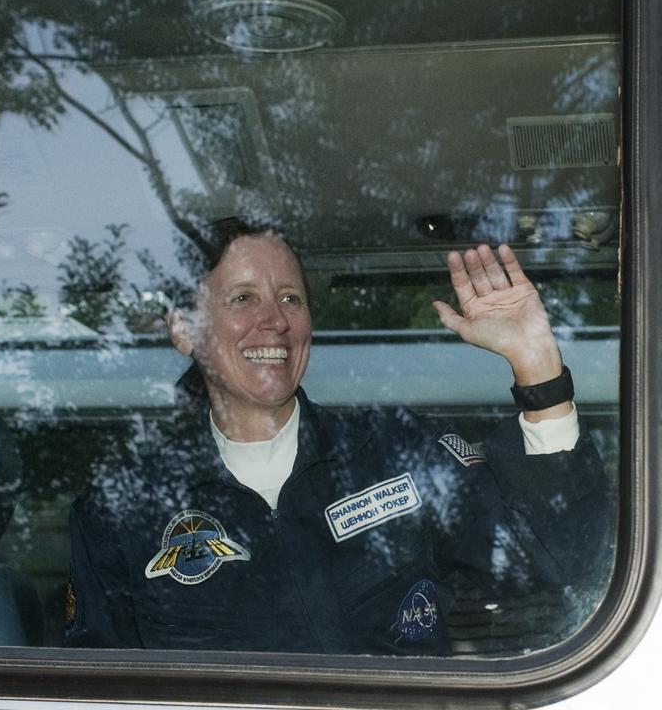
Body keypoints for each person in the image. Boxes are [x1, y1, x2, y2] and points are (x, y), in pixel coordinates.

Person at [64, 217, 612, 654]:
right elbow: (100, 707)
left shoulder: (396, 452)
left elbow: (565, 565)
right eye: (241, 299)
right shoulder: (121, 508)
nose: (274, 321)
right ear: (184, 329)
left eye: (290, 298)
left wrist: (537, 367)